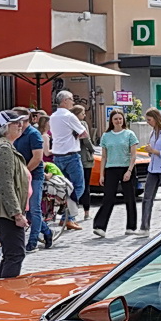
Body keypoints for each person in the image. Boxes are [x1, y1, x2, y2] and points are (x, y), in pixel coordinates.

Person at [0, 111, 32, 278]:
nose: (20, 126)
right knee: (15, 255)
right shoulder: (4, 149)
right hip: (7, 212)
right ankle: (6, 295)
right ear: (4, 128)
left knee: (12, 255)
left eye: (21, 122)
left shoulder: (8, 146)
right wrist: (16, 214)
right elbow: (5, 184)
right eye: (15, 123)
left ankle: (3, 291)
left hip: (9, 211)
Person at [94, 110, 140, 236]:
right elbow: (103, 156)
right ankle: (100, 226)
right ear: (112, 121)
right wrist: (102, 174)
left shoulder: (129, 134)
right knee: (108, 197)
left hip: (126, 167)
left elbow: (133, 155)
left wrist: (129, 171)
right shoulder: (106, 136)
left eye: (120, 118)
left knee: (129, 198)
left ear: (123, 120)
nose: (118, 121)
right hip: (111, 168)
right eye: (116, 119)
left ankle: (131, 226)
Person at [47, 91, 87, 229]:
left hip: (57, 155)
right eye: (71, 99)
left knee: (63, 188)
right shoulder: (69, 116)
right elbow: (84, 133)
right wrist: (74, 135)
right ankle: (68, 217)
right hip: (71, 155)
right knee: (78, 186)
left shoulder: (52, 116)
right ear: (64, 101)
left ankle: (66, 216)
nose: (73, 102)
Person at [14, 105, 49, 251]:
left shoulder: (33, 134)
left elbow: (37, 158)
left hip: (34, 175)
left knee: (34, 209)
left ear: (24, 119)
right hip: (20, 175)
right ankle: (47, 231)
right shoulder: (15, 133)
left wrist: (25, 171)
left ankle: (32, 242)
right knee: (26, 210)